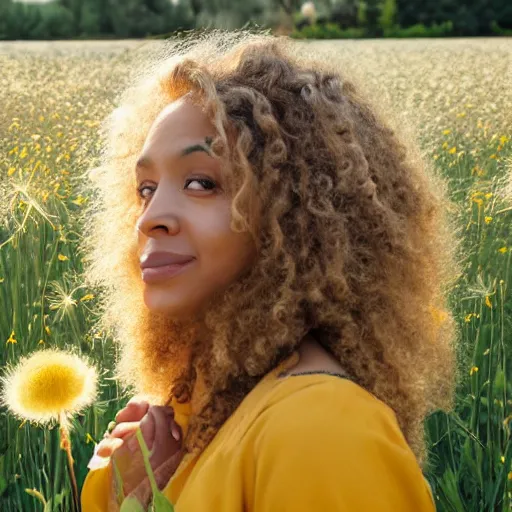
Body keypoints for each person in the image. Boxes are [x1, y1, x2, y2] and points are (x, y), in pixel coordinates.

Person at [79, 31, 461, 511]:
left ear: (297, 210)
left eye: (201, 182)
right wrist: (123, 498)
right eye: (146, 188)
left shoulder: (322, 431)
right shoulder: (200, 416)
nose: (150, 217)